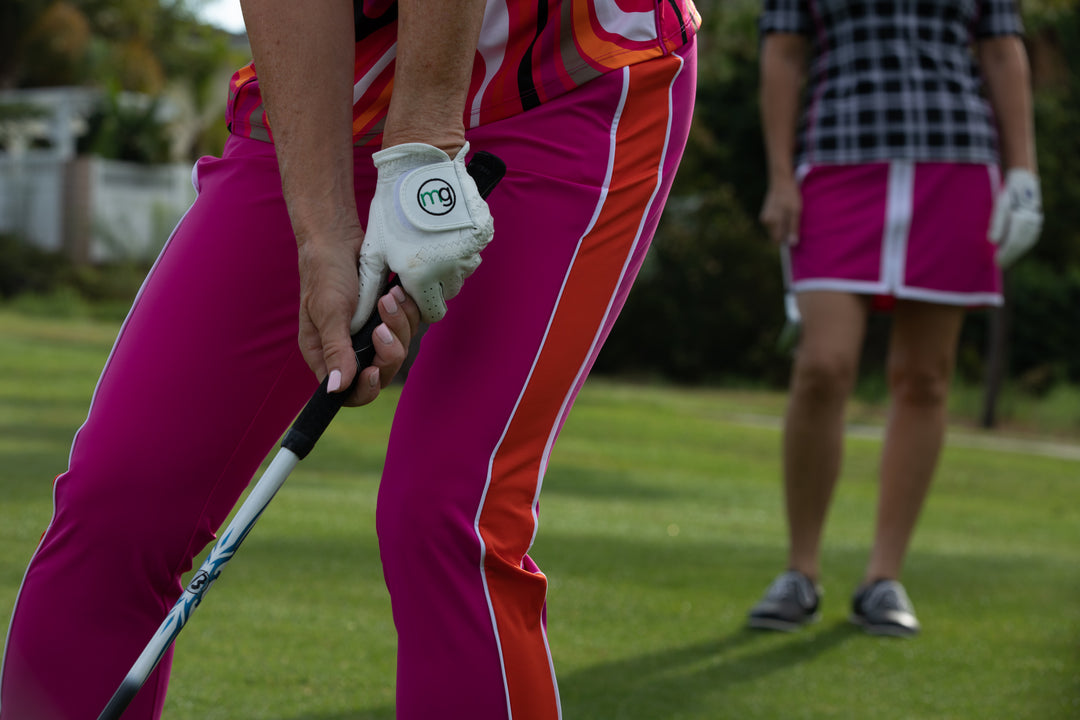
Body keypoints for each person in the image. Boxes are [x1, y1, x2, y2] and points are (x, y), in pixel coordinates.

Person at [0, 1, 700, 718]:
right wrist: (322, 231)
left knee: (446, 513)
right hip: (340, 86)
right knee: (124, 498)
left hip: (571, 67)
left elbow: (425, 124)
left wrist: (420, 150)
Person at [749, 0, 1042, 637]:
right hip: (837, 160)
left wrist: (1024, 172)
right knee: (823, 366)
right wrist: (779, 177)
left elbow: (1000, 48)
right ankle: (800, 572)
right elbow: (784, 50)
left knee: (925, 377)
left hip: (957, 162)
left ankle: (882, 578)